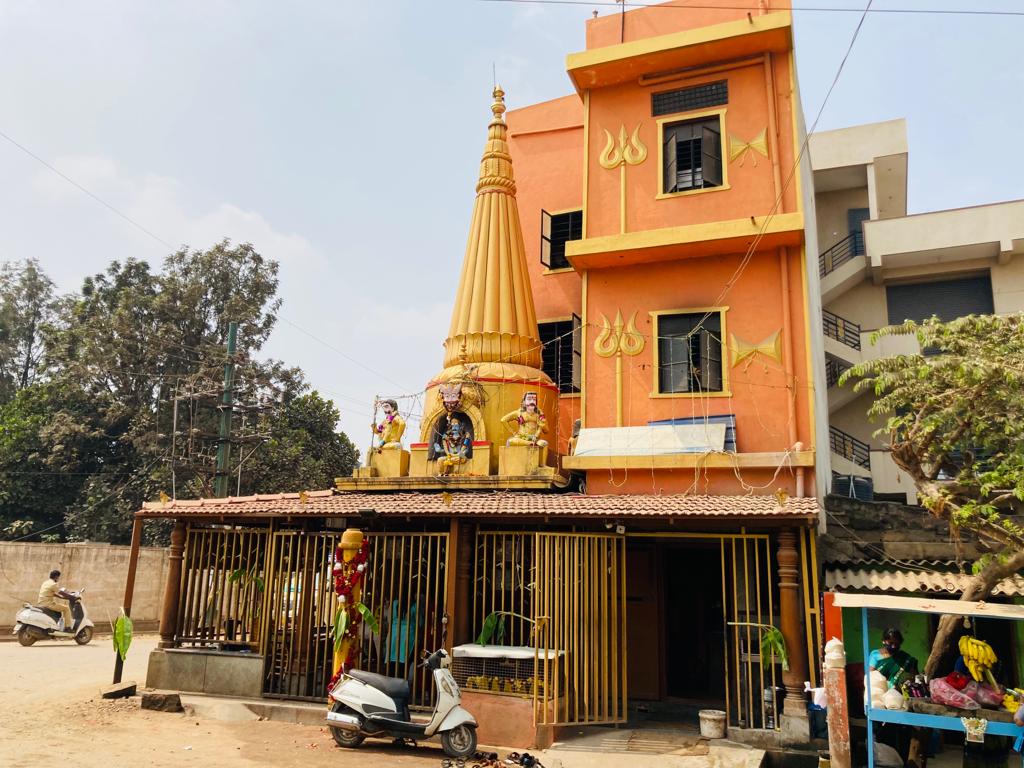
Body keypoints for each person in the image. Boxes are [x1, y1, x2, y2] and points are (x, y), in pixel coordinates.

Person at [38, 569, 75, 633]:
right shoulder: (53, 584)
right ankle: (67, 627)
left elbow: (52, 593)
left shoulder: (46, 582)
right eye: (58, 577)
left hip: (42, 602)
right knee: (66, 608)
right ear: (56, 577)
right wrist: (71, 597)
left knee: (60, 607)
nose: (58, 579)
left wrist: (62, 597)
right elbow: (61, 592)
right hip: (48, 604)